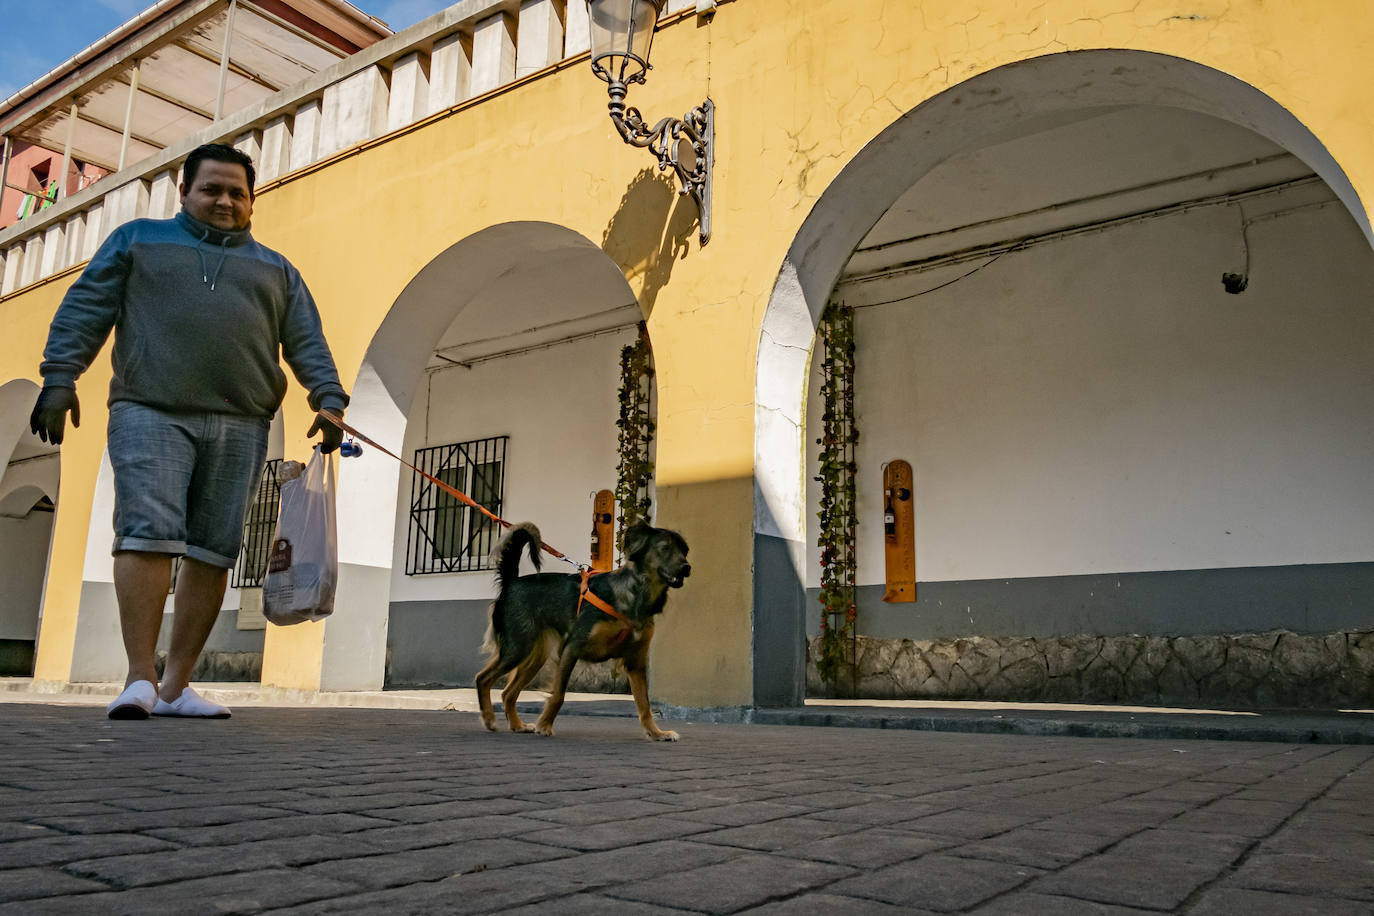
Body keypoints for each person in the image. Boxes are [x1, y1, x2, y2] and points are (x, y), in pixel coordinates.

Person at [29, 143, 348, 720]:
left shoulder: (278, 270)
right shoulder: (137, 242)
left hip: (242, 419)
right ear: (184, 192)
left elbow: (306, 340)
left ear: (252, 202)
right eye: (212, 189)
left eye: (238, 193)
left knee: (214, 547)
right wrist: (59, 379)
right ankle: (139, 679)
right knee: (147, 530)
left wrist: (329, 400)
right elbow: (85, 309)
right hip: (149, 409)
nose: (225, 201)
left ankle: (175, 688)